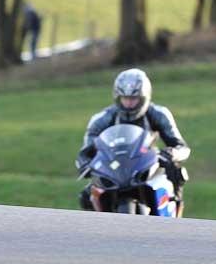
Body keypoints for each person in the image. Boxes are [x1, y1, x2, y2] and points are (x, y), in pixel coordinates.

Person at [75, 68, 189, 211]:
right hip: (114, 168)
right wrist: (85, 164)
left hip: (148, 165)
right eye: (125, 98)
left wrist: (172, 153)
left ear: (144, 97)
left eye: (133, 99)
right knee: (87, 195)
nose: (128, 103)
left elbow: (182, 146)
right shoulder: (101, 119)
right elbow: (85, 152)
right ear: (117, 97)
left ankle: (176, 214)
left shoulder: (159, 114)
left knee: (176, 174)